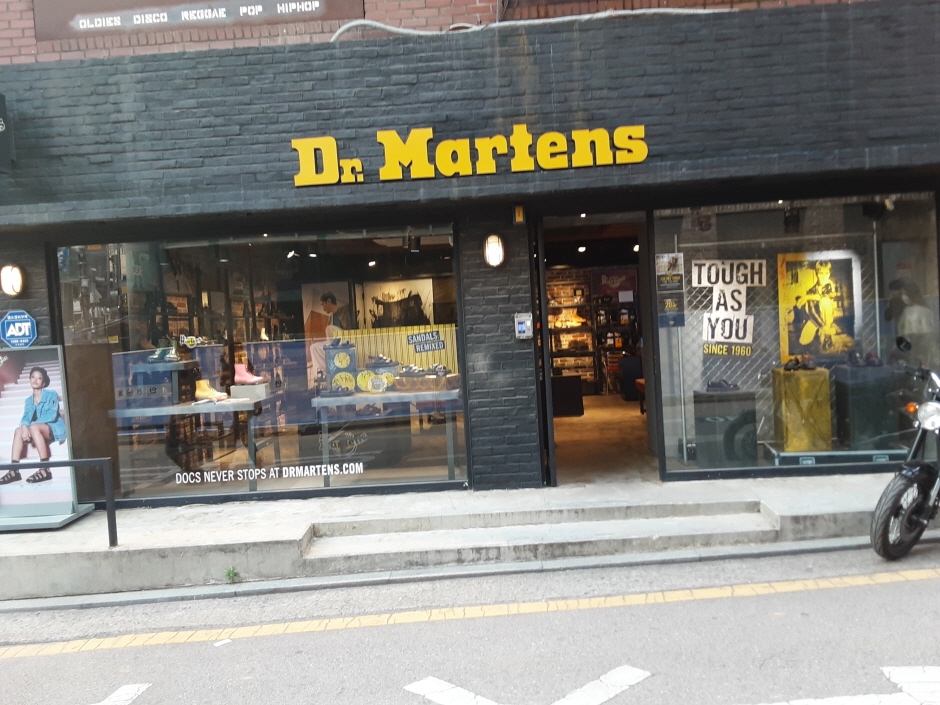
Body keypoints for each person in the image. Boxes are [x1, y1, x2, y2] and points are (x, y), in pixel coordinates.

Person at [0, 366, 68, 485]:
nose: (35, 380)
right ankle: (14, 470)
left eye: (39, 378)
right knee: (18, 430)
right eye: (33, 377)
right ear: (30, 379)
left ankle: (45, 469)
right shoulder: (28, 400)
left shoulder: (51, 394)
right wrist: (24, 426)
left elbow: (52, 415)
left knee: (32, 427)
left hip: (54, 428)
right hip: (37, 430)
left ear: (44, 382)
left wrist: (30, 426)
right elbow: (26, 417)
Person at [896, 281, 938, 368]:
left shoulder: (910, 312)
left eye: (904, 294)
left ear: (909, 294)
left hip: (915, 351)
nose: (902, 297)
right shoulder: (926, 310)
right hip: (928, 352)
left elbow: (910, 334)